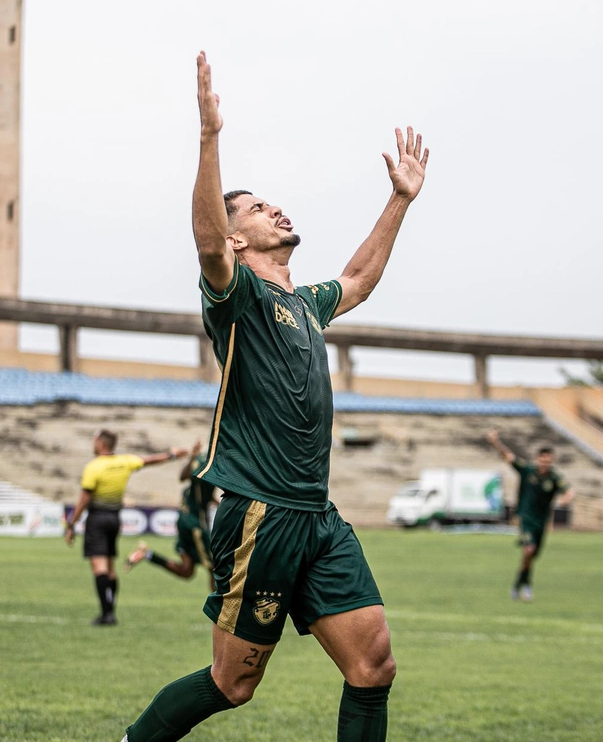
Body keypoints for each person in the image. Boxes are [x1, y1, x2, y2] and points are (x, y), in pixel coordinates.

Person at [120, 51, 429, 742]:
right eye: (259, 207)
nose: (276, 209)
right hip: (262, 513)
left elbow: (357, 278)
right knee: (233, 683)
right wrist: (209, 142)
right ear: (238, 236)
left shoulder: (305, 302)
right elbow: (205, 243)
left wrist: (399, 199)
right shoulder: (240, 295)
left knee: (373, 665)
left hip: (317, 515)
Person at [64, 430, 192, 625]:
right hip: (114, 518)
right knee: (110, 567)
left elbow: (84, 498)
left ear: (100, 444)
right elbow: (149, 460)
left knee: (99, 567)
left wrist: (72, 524)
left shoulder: (94, 467)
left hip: (97, 518)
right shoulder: (124, 461)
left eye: (94, 440)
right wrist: (171, 454)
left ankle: (106, 614)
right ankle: (110, 609)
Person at [486, 430, 574, 602]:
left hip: (542, 522)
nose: (545, 463)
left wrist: (564, 500)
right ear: (538, 459)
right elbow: (508, 456)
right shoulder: (528, 471)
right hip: (526, 518)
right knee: (528, 550)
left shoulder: (554, 478)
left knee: (531, 557)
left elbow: (569, 491)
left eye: (548, 461)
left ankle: (520, 583)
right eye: (543, 459)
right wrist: (495, 441)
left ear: (551, 461)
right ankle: (526, 586)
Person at [126, 441, 217, 588]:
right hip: (193, 525)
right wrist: (193, 458)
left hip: (184, 522)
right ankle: (221, 608)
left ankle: (147, 554)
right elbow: (184, 476)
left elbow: (191, 484)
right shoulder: (207, 466)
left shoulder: (194, 490)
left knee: (187, 571)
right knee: (214, 567)